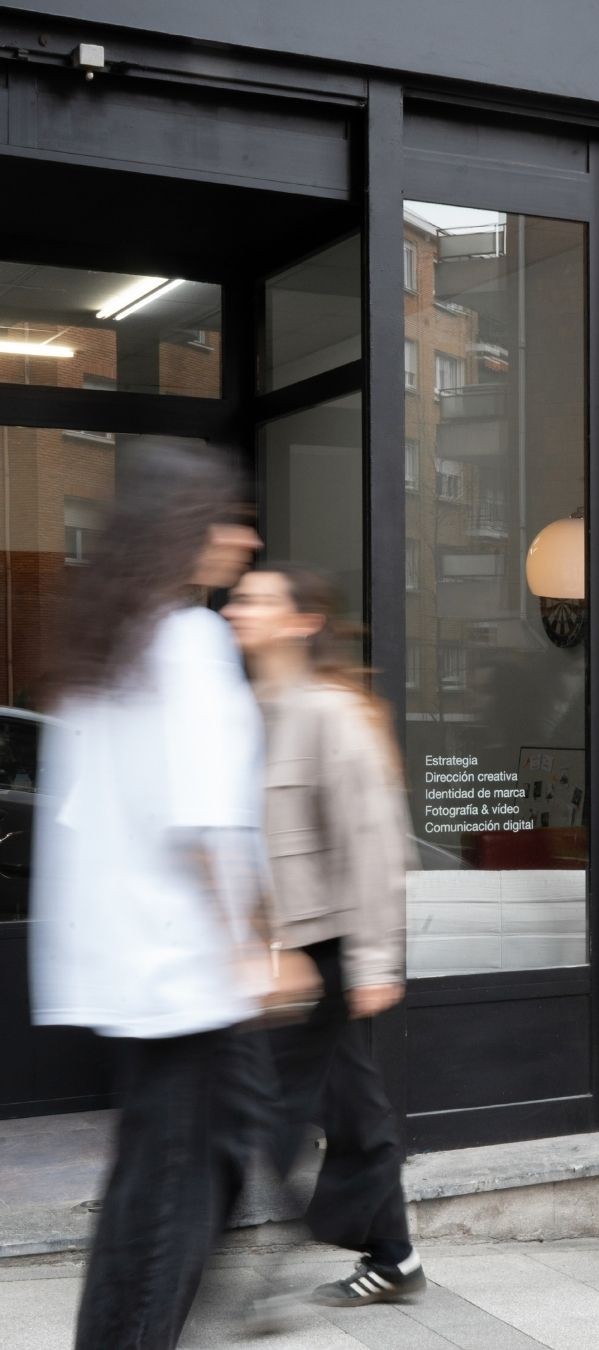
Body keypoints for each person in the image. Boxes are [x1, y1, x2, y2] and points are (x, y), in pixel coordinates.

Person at [30, 445, 268, 1350]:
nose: (245, 540)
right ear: (191, 532)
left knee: (147, 1198)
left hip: (132, 975)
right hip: (188, 975)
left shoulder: (104, 652)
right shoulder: (188, 641)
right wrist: (252, 945)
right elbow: (205, 818)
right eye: (232, 520)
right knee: (180, 1204)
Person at [224, 564, 424, 1309]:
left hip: (332, 948)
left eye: (255, 599)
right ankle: (395, 1258)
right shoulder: (250, 711)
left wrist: (375, 960)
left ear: (302, 621)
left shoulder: (329, 713)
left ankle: (265, 1276)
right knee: (351, 1107)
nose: (237, 607)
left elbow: (374, 841)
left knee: (271, 1112)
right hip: (281, 954)